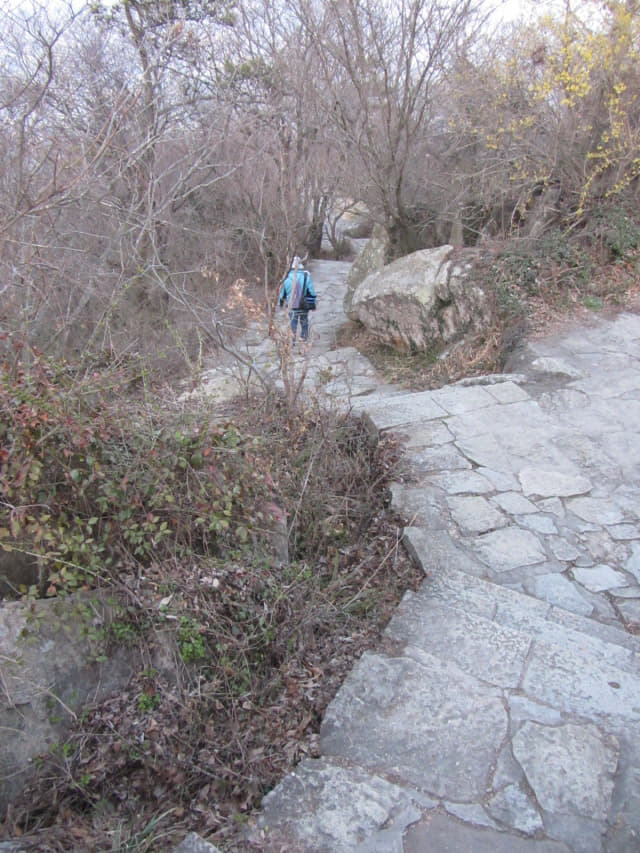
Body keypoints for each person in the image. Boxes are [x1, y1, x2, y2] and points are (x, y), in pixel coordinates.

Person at [278, 256, 317, 344]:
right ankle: (304, 338)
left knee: (293, 323)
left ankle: (292, 340)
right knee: (304, 321)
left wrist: (280, 304)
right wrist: (313, 304)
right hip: (303, 305)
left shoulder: (287, 278)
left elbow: (282, 294)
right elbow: (311, 292)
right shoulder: (306, 277)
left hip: (292, 305)